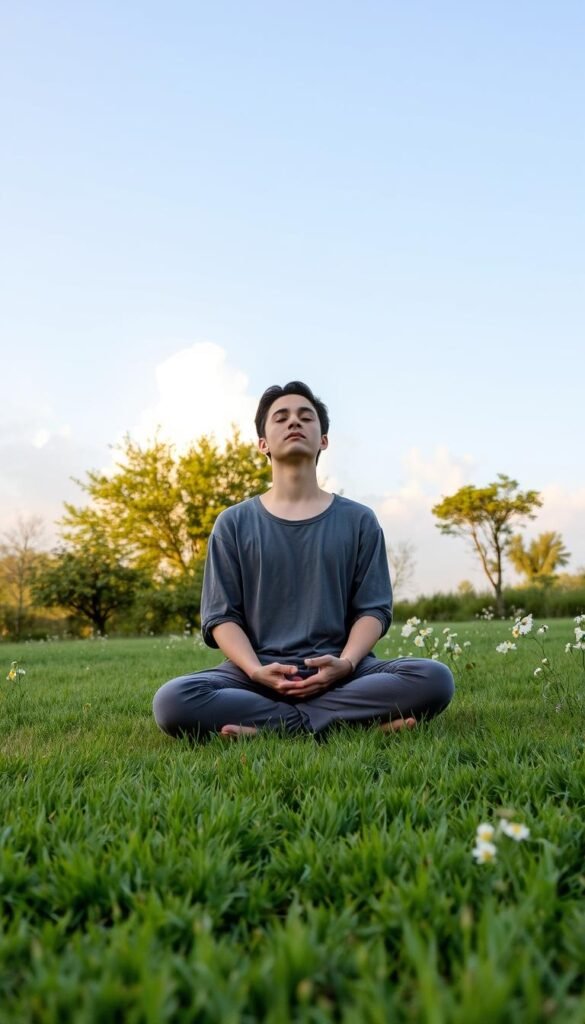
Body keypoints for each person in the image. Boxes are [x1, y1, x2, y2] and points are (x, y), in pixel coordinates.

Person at [153, 381, 454, 739]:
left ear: (323, 440)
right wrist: (255, 670)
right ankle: (343, 722)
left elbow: (373, 610)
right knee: (173, 701)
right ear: (263, 443)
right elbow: (221, 617)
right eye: (281, 417)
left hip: (343, 673)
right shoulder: (232, 523)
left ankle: (276, 727)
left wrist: (346, 663)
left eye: (306, 416)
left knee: (433, 678)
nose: (294, 421)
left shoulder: (359, 520)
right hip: (256, 676)